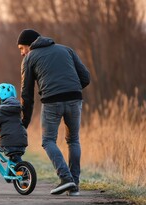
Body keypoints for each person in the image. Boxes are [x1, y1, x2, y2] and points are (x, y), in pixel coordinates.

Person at [17, 29, 90, 195]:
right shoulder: (66, 50)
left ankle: (66, 178)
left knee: (48, 140)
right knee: (73, 140)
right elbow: (86, 78)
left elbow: (26, 95)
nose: (21, 53)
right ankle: (74, 185)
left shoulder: (29, 58)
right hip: (75, 98)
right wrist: (70, 90)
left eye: (22, 48)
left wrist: (24, 123)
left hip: (52, 101)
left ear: (30, 45)